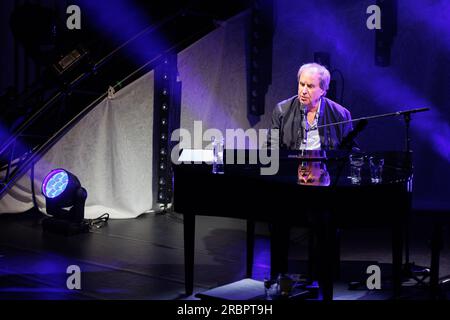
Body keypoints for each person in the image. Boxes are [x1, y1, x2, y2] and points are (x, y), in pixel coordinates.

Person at [268, 63, 354, 150]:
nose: (304, 91)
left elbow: (350, 151)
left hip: (325, 163)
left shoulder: (341, 115)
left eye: (310, 86)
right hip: (292, 163)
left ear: (322, 90)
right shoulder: (282, 110)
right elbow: (270, 148)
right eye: (301, 84)